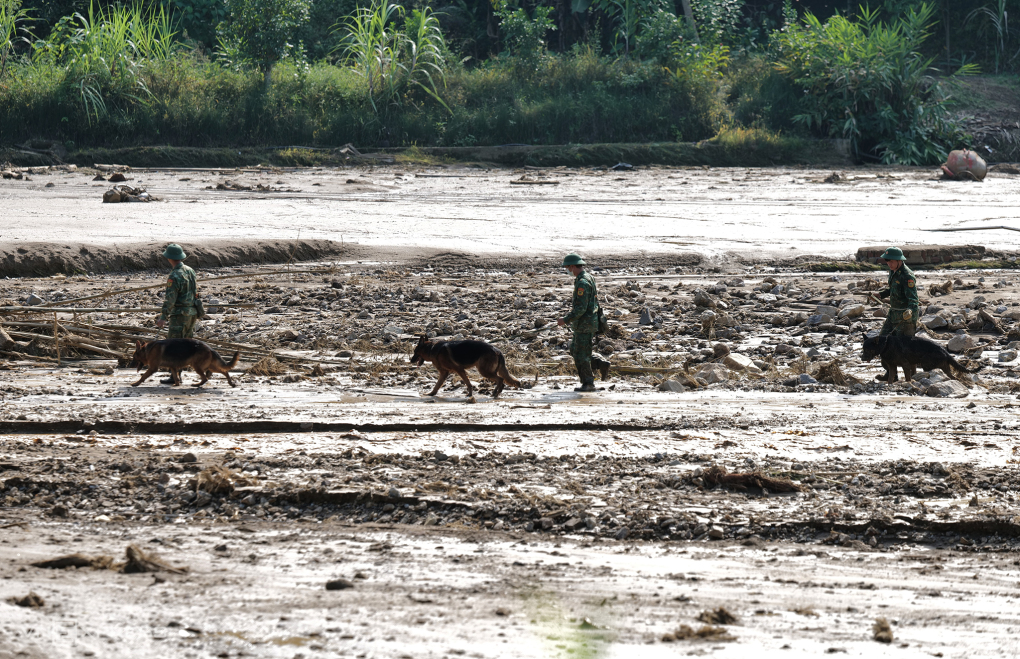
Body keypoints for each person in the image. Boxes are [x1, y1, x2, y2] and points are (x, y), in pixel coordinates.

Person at [557, 253, 610, 392]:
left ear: (573, 266)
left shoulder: (582, 282)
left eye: (568, 267)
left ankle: (588, 383)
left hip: (584, 324)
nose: (567, 270)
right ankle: (600, 364)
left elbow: (581, 308)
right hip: (587, 323)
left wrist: (565, 320)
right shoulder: (588, 277)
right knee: (575, 349)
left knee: (581, 354)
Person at [875, 246, 919, 380]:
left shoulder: (907, 276)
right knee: (882, 342)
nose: (889, 264)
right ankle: (890, 374)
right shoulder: (893, 272)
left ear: (899, 261)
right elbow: (893, 289)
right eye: (887, 261)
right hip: (893, 313)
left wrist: (910, 311)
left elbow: (913, 299)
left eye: (891, 261)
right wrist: (880, 294)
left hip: (906, 317)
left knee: (904, 347)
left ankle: (912, 376)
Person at [156, 243, 199, 339]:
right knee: (187, 346)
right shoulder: (190, 270)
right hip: (192, 313)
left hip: (180, 316)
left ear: (169, 258)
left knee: (174, 347)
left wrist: (163, 317)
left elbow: (170, 298)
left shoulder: (174, 275)